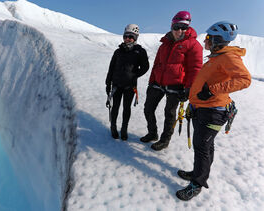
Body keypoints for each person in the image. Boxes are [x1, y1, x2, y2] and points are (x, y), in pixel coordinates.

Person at [176, 21, 251, 201]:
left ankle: (197, 183)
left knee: (202, 147)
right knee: (205, 146)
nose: (205, 42)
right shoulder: (216, 58)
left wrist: (212, 90)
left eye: (208, 38)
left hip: (213, 111)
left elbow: (244, 79)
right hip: (203, 108)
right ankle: (198, 173)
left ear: (217, 40)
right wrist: (192, 100)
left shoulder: (228, 57)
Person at [140, 11, 203, 151]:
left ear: (188, 27)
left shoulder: (194, 45)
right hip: (158, 82)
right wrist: (151, 82)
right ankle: (152, 133)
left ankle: (164, 140)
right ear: (172, 26)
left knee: (169, 113)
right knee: (148, 108)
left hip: (177, 85)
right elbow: (157, 64)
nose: (179, 30)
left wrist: (189, 88)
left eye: (183, 27)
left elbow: (195, 69)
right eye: (176, 27)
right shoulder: (165, 44)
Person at [105, 24, 149, 141]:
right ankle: (113, 127)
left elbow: (145, 67)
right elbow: (111, 68)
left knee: (126, 108)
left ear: (135, 38)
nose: (128, 39)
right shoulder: (118, 52)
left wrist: (135, 75)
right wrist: (108, 83)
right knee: (115, 107)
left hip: (130, 86)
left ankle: (124, 129)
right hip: (117, 84)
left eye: (131, 36)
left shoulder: (140, 52)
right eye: (126, 36)